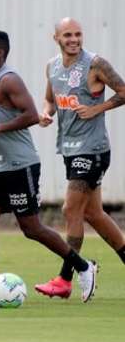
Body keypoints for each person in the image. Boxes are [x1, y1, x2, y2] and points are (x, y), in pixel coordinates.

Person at [0, 29, 98, 304]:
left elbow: (30, 115)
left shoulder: (9, 80)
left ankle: (83, 266)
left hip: (19, 165)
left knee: (31, 227)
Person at [34, 18, 125, 298]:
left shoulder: (96, 64)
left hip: (93, 149)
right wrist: (46, 112)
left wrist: (99, 108)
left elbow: (123, 91)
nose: (74, 39)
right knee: (93, 214)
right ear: (56, 38)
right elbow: (50, 97)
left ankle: (67, 278)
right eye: (68, 35)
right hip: (70, 149)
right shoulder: (53, 67)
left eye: (78, 34)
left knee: (70, 210)